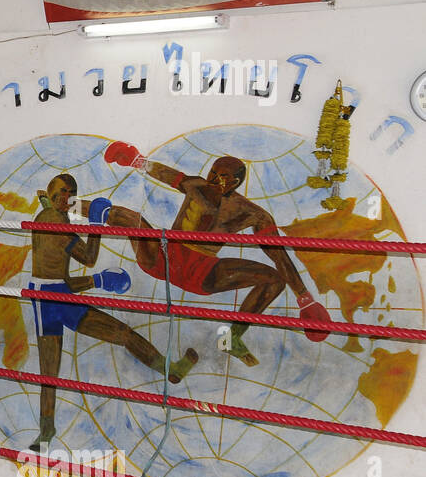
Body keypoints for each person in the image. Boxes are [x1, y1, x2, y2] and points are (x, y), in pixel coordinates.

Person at [100, 145, 332, 365]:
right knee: (129, 218)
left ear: (235, 183)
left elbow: (278, 254)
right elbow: (167, 174)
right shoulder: (196, 186)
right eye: (212, 171)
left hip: (201, 271)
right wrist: (135, 161)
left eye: (221, 176)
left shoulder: (251, 213)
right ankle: (73, 207)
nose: (213, 178)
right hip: (164, 257)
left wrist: (305, 298)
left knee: (274, 279)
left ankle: (233, 337)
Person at [27, 174, 198, 452]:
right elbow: (89, 257)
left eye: (69, 192)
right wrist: (95, 224)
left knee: (118, 335)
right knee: (52, 369)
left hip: (57, 294)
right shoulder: (54, 219)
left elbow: (62, 282)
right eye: (60, 191)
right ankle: (46, 431)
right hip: (47, 299)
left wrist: (98, 281)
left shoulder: (51, 215)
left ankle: (170, 369)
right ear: (50, 192)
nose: (64, 196)